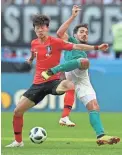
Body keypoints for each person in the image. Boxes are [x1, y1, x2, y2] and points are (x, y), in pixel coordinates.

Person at [5, 14, 108, 148]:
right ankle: (18, 142)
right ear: (34, 30)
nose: (39, 30)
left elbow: (78, 47)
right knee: (17, 111)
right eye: (37, 28)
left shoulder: (56, 42)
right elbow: (33, 52)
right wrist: (30, 59)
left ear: (47, 28)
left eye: (42, 27)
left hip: (53, 81)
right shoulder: (34, 43)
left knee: (70, 84)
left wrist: (96, 48)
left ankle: (65, 117)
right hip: (37, 84)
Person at [41, 5, 120, 145]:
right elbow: (59, 32)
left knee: (94, 106)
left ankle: (101, 135)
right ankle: (52, 70)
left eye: (87, 33)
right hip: (71, 70)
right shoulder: (70, 41)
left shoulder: (84, 50)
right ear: (75, 34)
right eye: (82, 32)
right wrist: (73, 16)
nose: (85, 34)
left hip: (82, 80)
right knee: (84, 61)